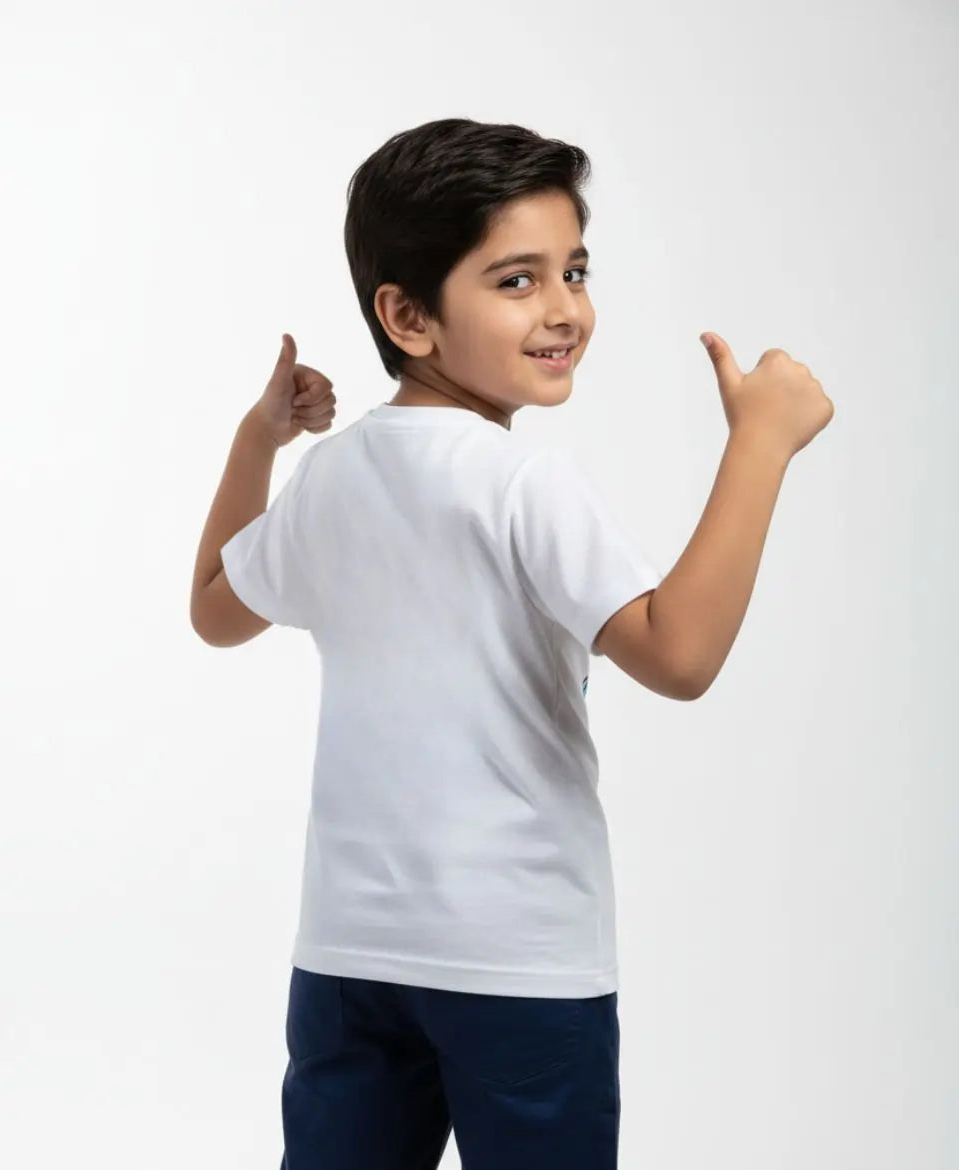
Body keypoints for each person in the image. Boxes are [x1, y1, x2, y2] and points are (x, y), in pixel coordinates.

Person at [189, 117, 834, 1169]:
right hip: (518, 970)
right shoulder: (523, 484)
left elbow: (216, 607)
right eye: (517, 281)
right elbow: (680, 655)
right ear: (407, 316)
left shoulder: (332, 474)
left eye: (573, 270)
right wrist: (760, 443)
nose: (566, 310)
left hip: (349, 963)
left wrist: (259, 439)